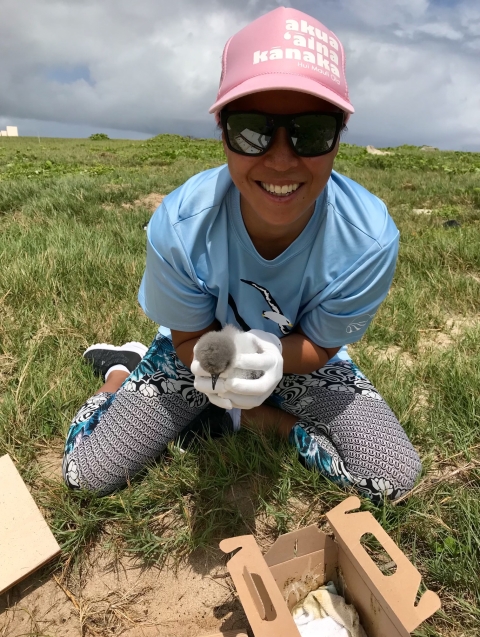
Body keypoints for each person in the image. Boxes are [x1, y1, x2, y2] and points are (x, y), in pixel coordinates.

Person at [62, 7, 421, 503]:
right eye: (251, 130)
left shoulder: (369, 239)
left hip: (301, 361)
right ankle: (123, 369)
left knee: (392, 477)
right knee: (87, 473)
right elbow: (190, 337)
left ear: (339, 136)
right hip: (198, 353)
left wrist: (272, 363)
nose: (279, 158)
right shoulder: (181, 223)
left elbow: (320, 345)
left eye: (310, 132)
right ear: (223, 132)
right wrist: (222, 363)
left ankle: (242, 416)